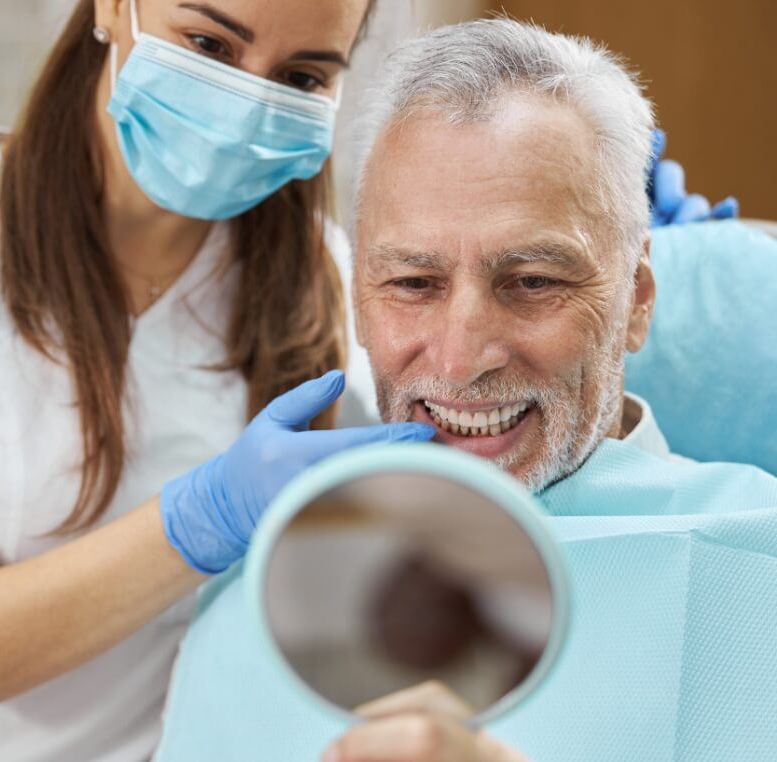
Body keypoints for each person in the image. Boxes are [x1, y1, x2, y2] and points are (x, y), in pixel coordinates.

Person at [0, 1, 732, 759]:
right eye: (208, 40)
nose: (247, 98)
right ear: (113, 6)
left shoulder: (312, 269)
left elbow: (470, 418)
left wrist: (602, 258)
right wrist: (202, 521)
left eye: (305, 74)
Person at [155, 19, 777, 762]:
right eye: (414, 284)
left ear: (636, 300)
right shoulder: (260, 600)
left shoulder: (758, 563)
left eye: (533, 282)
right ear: (358, 298)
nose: (457, 362)